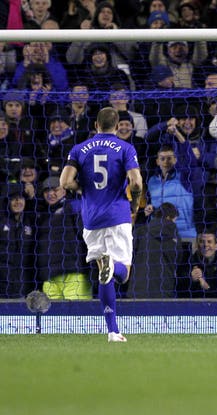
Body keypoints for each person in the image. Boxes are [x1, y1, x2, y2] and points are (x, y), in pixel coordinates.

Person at [60, 106, 143, 343]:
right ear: (117, 127)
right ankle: (112, 267)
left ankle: (113, 331)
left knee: (102, 274)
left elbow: (65, 182)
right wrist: (134, 205)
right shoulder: (125, 148)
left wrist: (81, 189)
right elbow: (136, 183)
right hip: (117, 216)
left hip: (91, 219)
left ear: (96, 125)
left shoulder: (79, 149)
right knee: (122, 273)